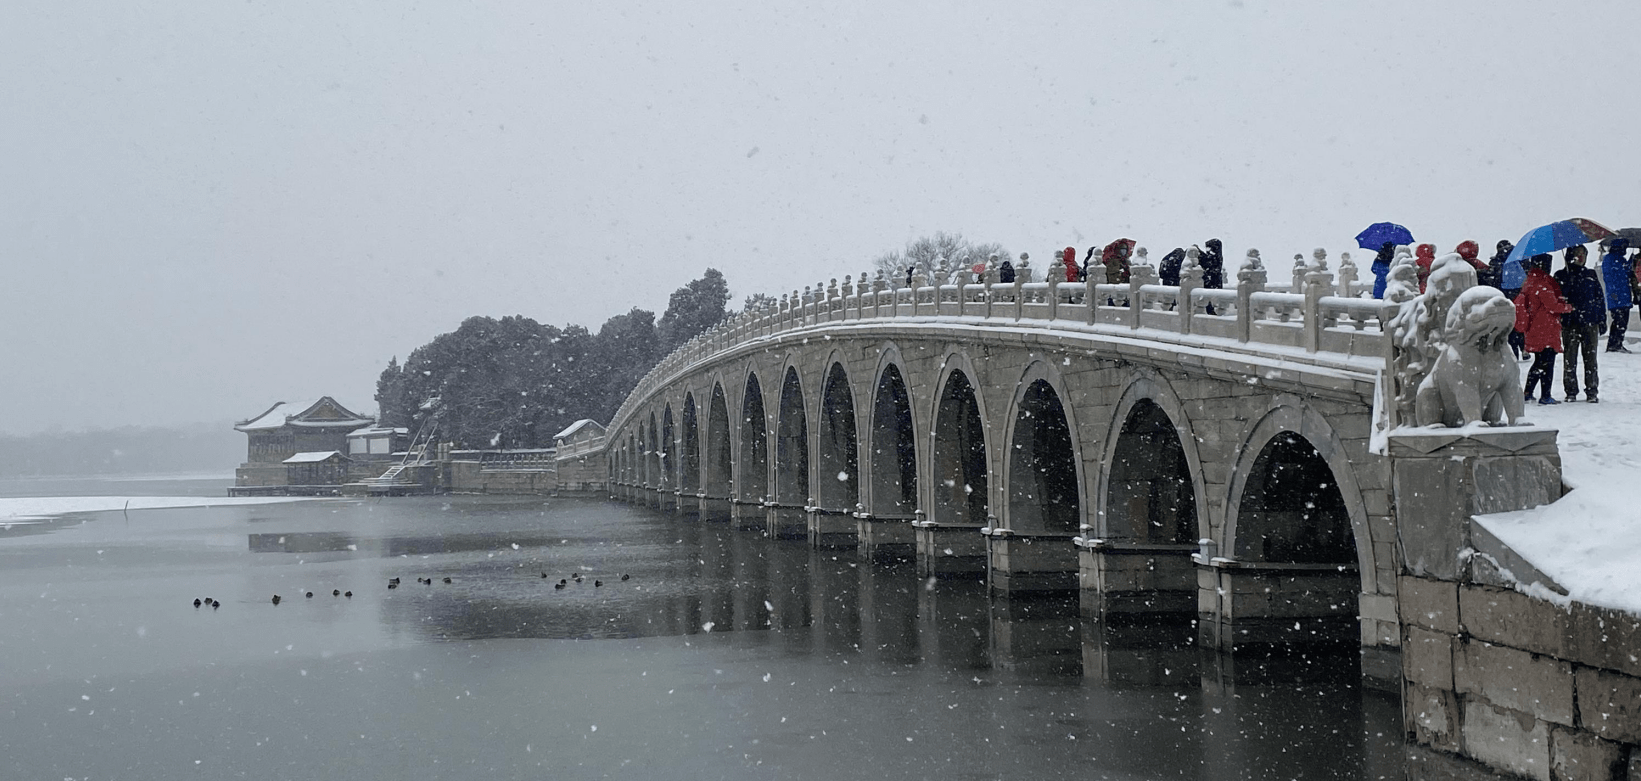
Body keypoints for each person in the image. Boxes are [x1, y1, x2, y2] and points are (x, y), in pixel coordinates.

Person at [1516, 253, 1573, 404]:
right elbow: (1552, 306)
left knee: (1539, 361)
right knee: (1548, 363)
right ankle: (1545, 395)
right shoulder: (1543, 282)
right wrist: (1568, 307)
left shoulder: (1530, 281)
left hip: (1535, 326)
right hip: (1545, 327)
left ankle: (1528, 392)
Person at [1554, 246, 1604, 402]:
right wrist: (1568, 282)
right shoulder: (1561, 275)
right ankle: (1570, 390)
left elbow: (1599, 297)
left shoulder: (1590, 274)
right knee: (1570, 358)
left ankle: (1592, 390)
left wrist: (1601, 319)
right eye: (1577, 254)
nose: (1581, 257)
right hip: (1571, 322)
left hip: (1590, 321)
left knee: (1591, 358)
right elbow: (1558, 298)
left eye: (1584, 254)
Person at [1493, 240, 1524, 359]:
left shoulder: (1498, 260)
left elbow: (1496, 278)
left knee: (1509, 323)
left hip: (1505, 293)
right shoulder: (1517, 256)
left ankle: (1513, 352)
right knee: (1520, 320)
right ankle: (1523, 348)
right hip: (1519, 292)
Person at [1601, 238, 1633, 353]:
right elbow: (1612, 277)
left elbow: (1626, 272)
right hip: (1618, 295)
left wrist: (1630, 261)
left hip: (1622, 295)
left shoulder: (1618, 259)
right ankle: (1615, 344)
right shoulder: (1611, 259)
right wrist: (1614, 293)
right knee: (1620, 321)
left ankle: (1615, 343)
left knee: (1621, 321)